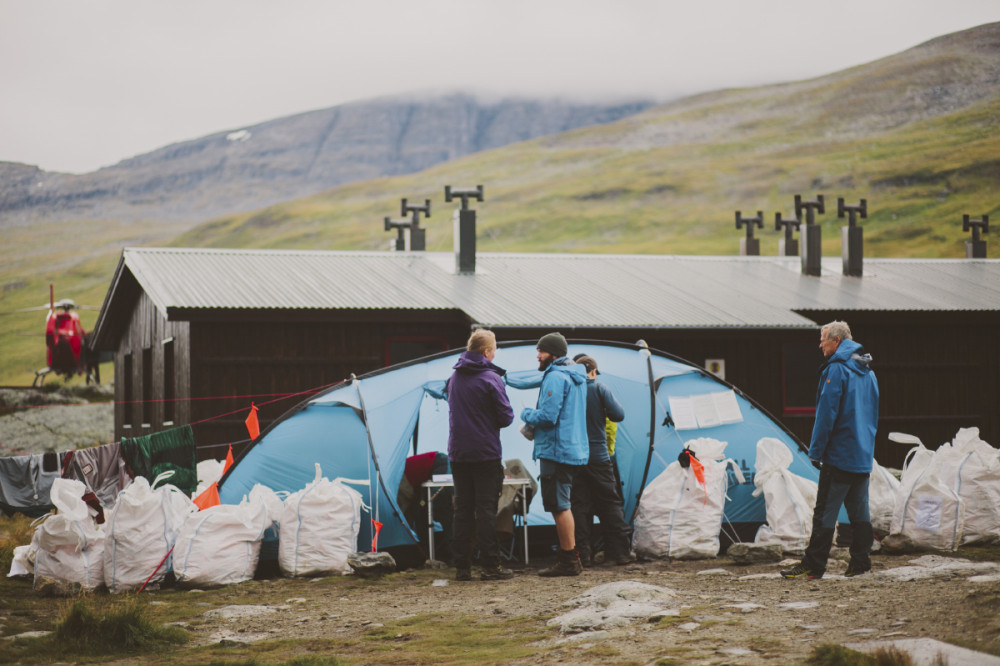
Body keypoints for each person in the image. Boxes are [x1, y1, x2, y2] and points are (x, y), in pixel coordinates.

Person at [781, 321, 879, 580]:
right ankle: (860, 563)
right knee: (860, 512)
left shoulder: (837, 370)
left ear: (836, 341)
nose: (820, 344)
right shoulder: (868, 372)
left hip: (839, 455)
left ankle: (814, 565)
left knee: (825, 510)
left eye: (823, 339)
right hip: (861, 454)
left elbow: (827, 414)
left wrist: (816, 451)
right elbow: (872, 415)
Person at [446, 329, 515, 581]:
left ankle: (462, 567)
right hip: (485, 453)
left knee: (462, 510)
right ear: (487, 352)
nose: (494, 353)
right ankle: (491, 566)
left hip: (458, 453)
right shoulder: (490, 378)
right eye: (494, 349)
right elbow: (506, 417)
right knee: (486, 509)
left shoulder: (454, 377)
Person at [520, 332, 589, 577]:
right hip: (572, 449)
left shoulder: (556, 377)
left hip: (556, 451)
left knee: (559, 506)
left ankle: (568, 560)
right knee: (564, 504)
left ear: (555, 354)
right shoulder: (576, 376)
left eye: (541, 351)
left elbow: (548, 418)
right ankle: (571, 557)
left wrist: (526, 414)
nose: (537, 355)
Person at [570, 355, 633, 566]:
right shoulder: (599, 389)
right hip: (599, 455)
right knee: (610, 503)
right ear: (593, 371)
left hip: (574, 457)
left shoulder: (568, 389)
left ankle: (582, 556)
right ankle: (619, 553)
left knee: (579, 506)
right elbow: (618, 415)